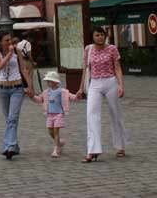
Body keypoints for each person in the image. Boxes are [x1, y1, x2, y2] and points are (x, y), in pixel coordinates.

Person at [76, 26, 127, 163]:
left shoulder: (112, 49)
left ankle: (120, 146)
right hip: (95, 83)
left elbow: (117, 67)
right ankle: (93, 150)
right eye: (97, 35)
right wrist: (81, 88)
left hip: (110, 81)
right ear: (92, 37)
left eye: (101, 35)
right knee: (91, 114)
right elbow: (85, 70)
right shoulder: (88, 49)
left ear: (105, 36)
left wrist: (121, 85)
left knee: (115, 113)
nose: (99, 37)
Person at [0, 32, 33, 159]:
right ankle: (14, 146)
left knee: (12, 118)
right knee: (9, 119)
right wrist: (9, 54)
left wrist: (30, 86)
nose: (10, 42)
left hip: (17, 88)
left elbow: (23, 69)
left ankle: (9, 146)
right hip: (2, 88)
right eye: (6, 40)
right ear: (0, 42)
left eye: (10, 40)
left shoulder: (18, 51)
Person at [31, 71, 77, 158]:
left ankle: (56, 149)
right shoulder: (46, 92)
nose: (48, 83)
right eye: (47, 81)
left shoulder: (62, 91)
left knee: (56, 131)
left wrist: (77, 96)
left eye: (50, 81)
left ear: (56, 82)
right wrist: (32, 96)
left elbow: (70, 96)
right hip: (50, 115)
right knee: (50, 131)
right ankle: (59, 142)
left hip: (59, 114)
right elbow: (39, 99)